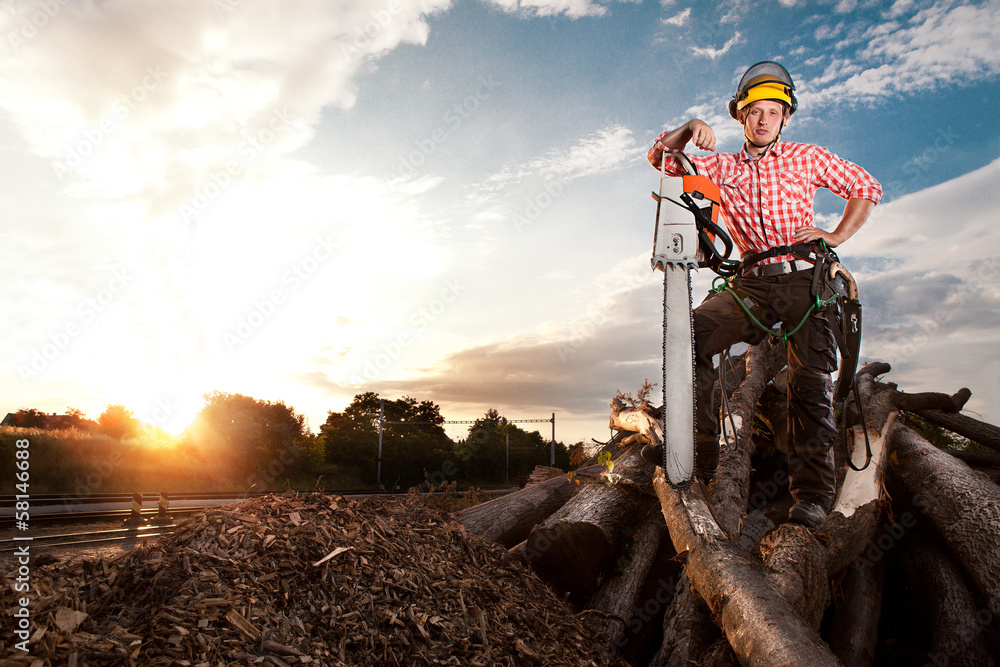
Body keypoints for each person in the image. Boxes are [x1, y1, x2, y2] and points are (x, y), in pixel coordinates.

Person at [641, 61, 882, 529]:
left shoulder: (806, 157)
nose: (764, 119)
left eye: (773, 111)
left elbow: (865, 186)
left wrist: (836, 235)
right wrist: (690, 128)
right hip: (749, 282)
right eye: (755, 111)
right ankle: (700, 449)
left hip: (804, 281)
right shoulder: (722, 165)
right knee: (688, 335)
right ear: (741, 116)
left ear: (785, 118)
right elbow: (661, 159)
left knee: (810, 384)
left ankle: (811, 497)